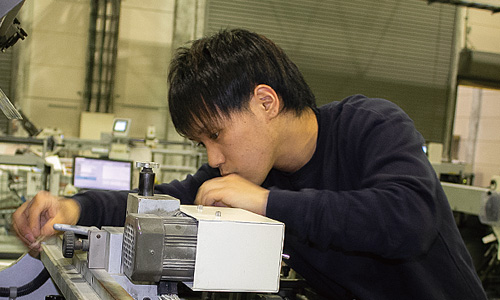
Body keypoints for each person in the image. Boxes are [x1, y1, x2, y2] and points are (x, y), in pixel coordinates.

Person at [12, 28, 487, 299]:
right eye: (202, 144)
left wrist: (265, 202)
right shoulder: (251, 170)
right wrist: (76, 210)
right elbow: (167, 202)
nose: (215, 158)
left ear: (265, 101)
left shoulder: (372, 124)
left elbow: (407, 220)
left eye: (215, 135)